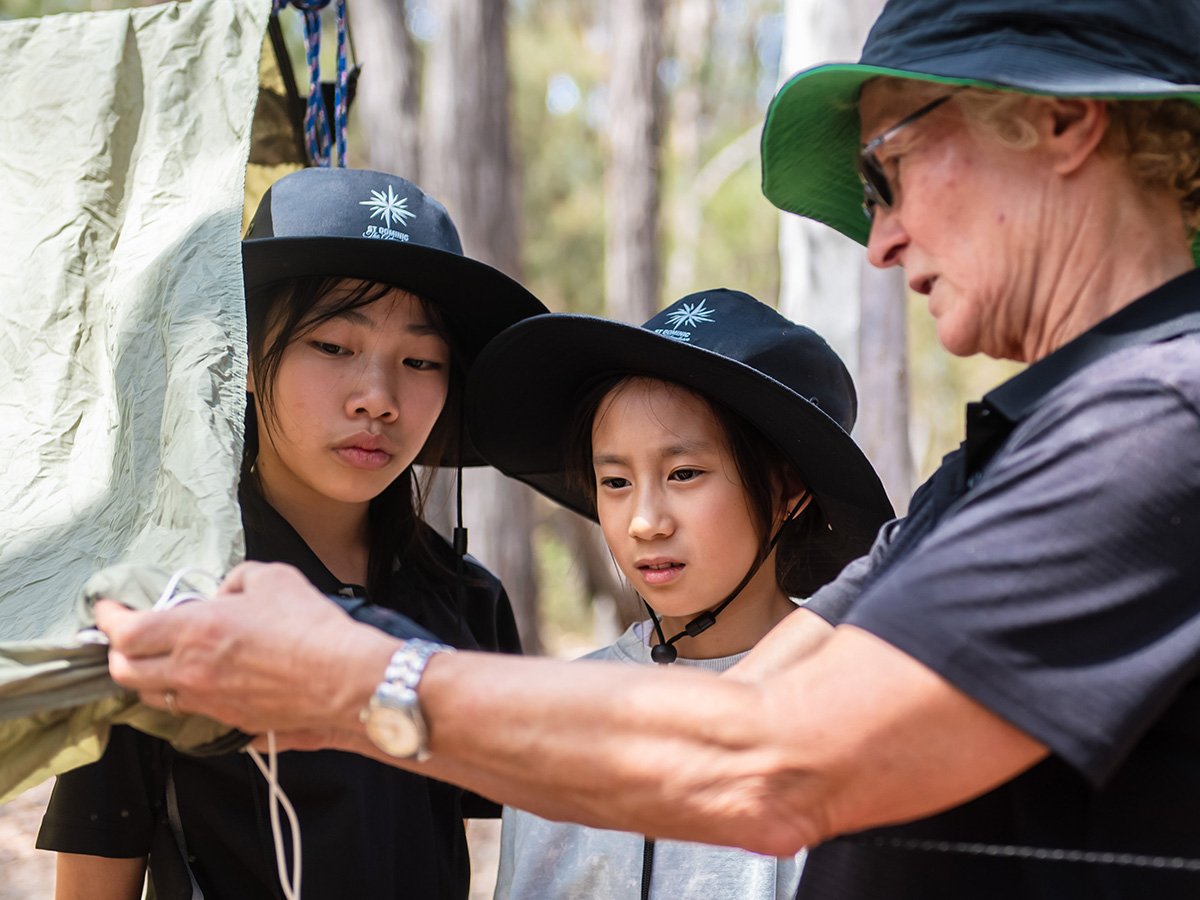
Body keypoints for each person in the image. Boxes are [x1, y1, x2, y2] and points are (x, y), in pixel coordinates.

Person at [93, 0, 1200, 897]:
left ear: (1063, 122)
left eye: (888, 169)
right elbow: (752, 692)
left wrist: (348, 677)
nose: (879, 239)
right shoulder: (1014, 457)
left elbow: (776, 755)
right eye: (614, 479)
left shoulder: (1158, 426)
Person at [36, 168, 547, 900]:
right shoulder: (160, 595)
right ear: (243, 357)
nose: (379, 398)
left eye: (422, 361)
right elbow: (93, 876)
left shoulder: (466, 599)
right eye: (333, 346)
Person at [464, 289, 892, 898]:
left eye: (684, 474)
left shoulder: (866, 714)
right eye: (614, 481)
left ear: (786, 489)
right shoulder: (558, 720)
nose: (645, 522)